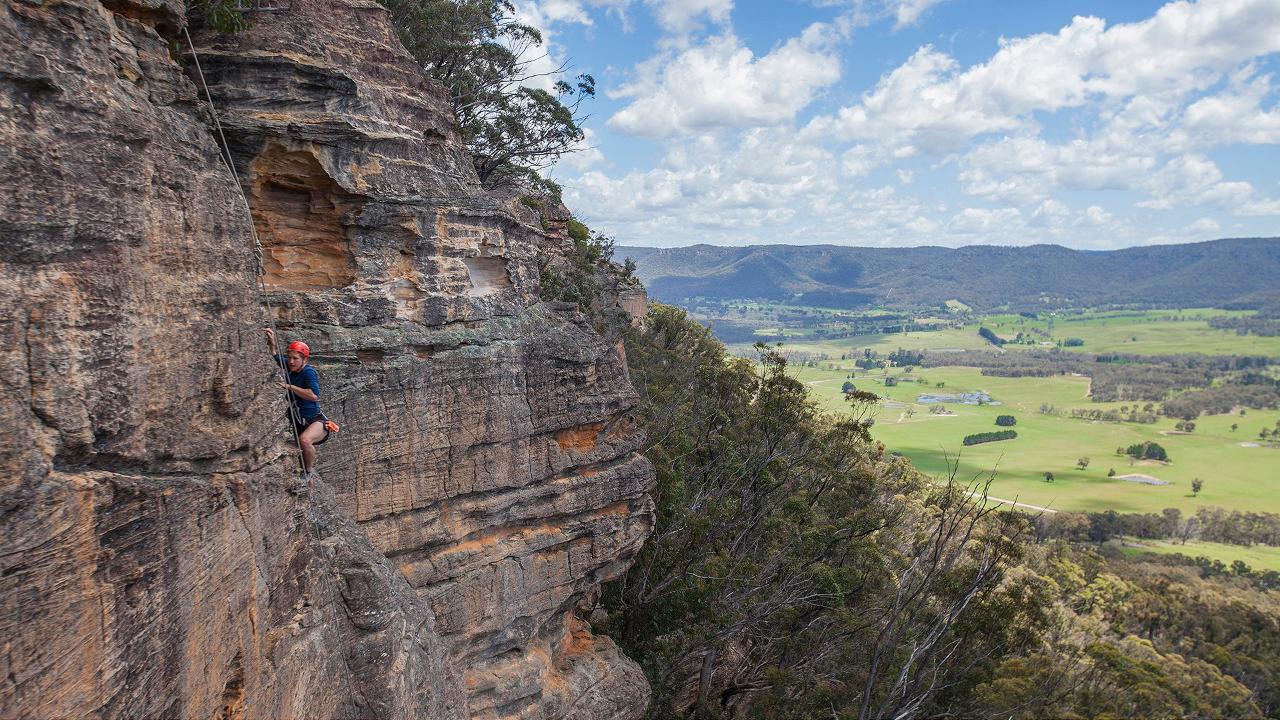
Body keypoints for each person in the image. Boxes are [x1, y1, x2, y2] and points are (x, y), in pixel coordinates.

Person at [264, 328, 328, 488]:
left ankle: (308, 472)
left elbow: (314, 395)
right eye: (290, 358)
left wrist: (289, 386)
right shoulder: (290, 365)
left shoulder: (308, 372)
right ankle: (309, 481)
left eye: (295, 359)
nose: (291, 361)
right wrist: (272, 345)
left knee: (305, 440)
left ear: (304, 359)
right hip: (299, 422)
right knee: (301, 444)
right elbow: (276, 359)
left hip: (315, 421)